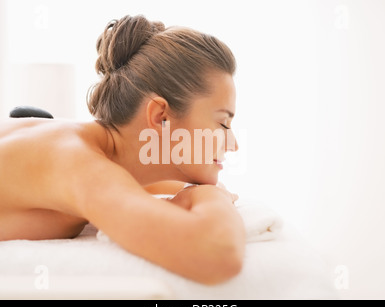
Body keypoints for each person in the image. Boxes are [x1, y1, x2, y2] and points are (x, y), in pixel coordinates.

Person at [0, 15, 245, 285]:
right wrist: (214, 196)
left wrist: (193, 191)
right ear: (161, 117)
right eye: (222, 123)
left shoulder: (99, 152)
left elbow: (140, 182)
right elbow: (217, 254)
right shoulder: (76, 163)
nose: (233, 144)